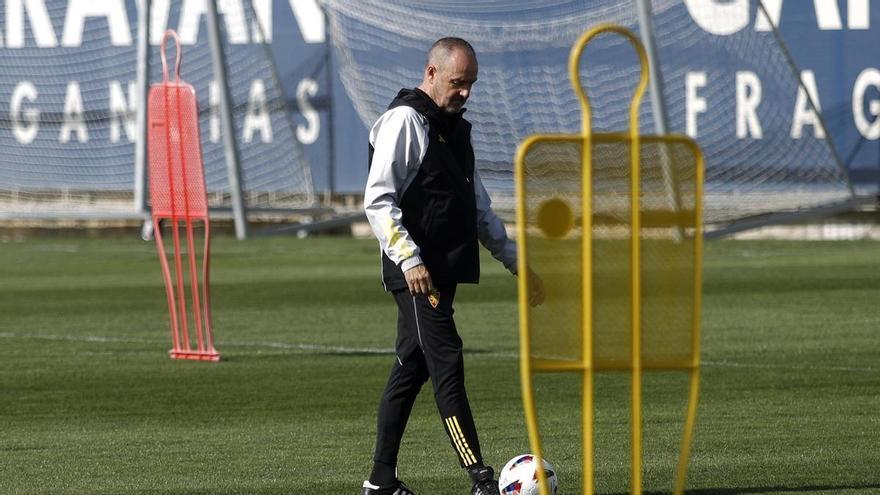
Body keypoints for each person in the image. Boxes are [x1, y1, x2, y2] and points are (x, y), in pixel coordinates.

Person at [362, 37, 545, 495]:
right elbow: (378, 199)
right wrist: (408, 258)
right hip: (418, 273)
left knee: (412, 366)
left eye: (471, 85)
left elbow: (477, 209)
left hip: (441, 269)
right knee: (447, 363)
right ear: (431, 73)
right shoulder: (405, 120)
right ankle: (481, 477)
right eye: (458, 82)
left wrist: (519, 263)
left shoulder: (454, 128)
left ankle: (380, 480)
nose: (465, 92)